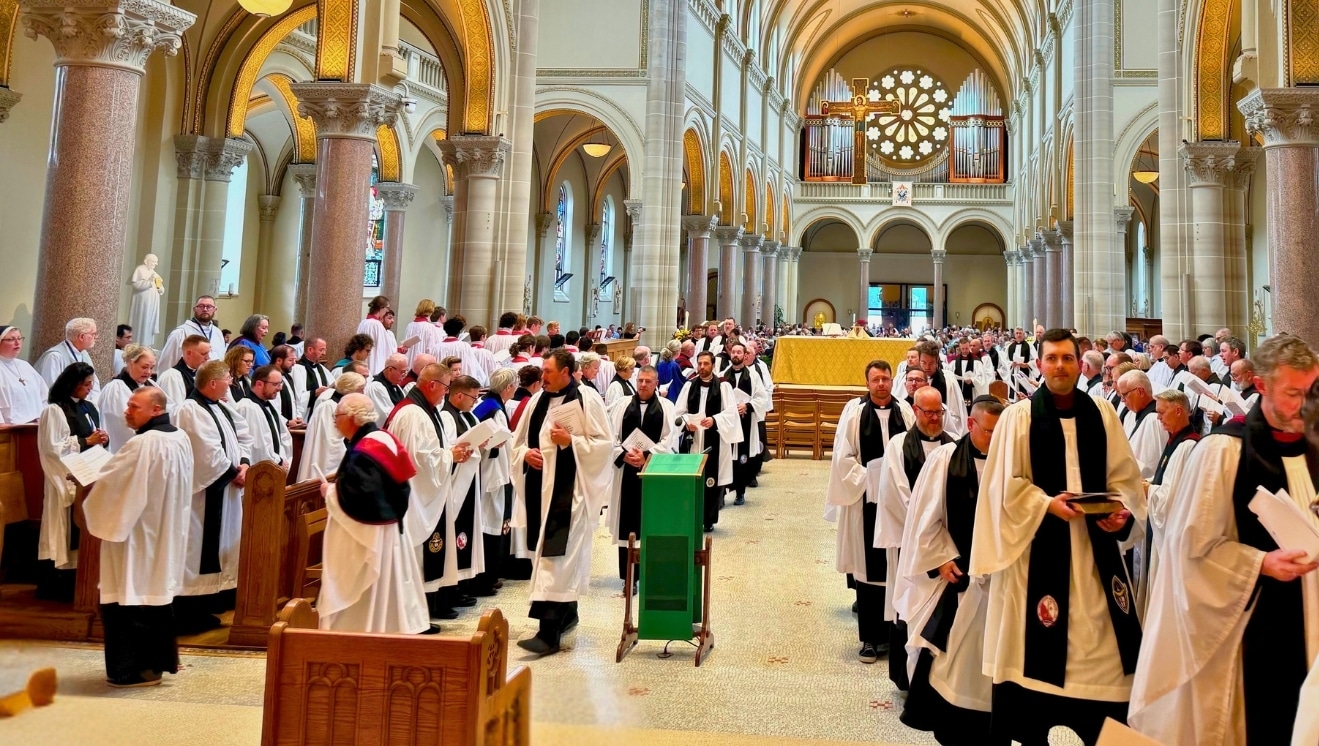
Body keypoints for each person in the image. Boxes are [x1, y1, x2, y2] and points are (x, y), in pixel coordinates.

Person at [1130, 333, 1319, 745]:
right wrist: (1261, 563)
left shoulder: (1314, 447)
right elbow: (1189, 549)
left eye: (1312, 391)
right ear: (1261, 385)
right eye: (1293, 394)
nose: (1306, 405)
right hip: (1252, 627)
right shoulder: (1222, 451)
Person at [970, 328, 1145, 746]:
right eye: (1052, 359)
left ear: (1079, 364)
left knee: (1108, 663)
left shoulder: (1102, 414)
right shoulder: (1019, 417)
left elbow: (1125, 478)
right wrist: (1046, 504)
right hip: (1036, 558)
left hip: (1095, 559)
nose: (1060, 366)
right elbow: (1003, 486)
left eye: (1067, 358)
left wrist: (1121, 513)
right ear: (1040, 364)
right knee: (1031, 661)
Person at [897, 396, 1004, 744]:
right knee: (952, 655)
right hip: (958, 577)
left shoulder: (1012, 462)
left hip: (1001, 580)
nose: (996, 439)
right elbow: (925, 519)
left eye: (1001, 432)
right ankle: (950, 724)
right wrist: (941, 559)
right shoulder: (946, 460)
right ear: (971, 425)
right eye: (989, 431)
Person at [82, 387, 193, 687]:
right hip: (165, 529)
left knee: (130, 591)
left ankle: (133, 669)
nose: (127, 411)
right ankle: (157, 664)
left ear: (156, 409)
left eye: (134, 407)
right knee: (154, 592)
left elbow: (114, 483)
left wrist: (90, 480)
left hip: (137, 535)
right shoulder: (179, 437)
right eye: (128, 405)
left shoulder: (143, 443)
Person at [509, 349, 613, 655]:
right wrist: (525, 454)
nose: (543, 377)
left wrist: (572, 442)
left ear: (566, 372)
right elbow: (517, 442)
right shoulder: (537, 401)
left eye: (548, 372)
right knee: (547, 558)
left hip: (570, 494)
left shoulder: (587, 399)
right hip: (539, 490)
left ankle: (548, 633)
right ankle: (568, 614)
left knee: (557, 561)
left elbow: (604, 445)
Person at [316, 393, 431, 634]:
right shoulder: (383, 438)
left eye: (337, 416)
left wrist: (330, 492)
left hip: (370, 537)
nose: (335, 421)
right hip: (390, 529)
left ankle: (360, 634)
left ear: (352, 418)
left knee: (366, 597)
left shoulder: (365, 450)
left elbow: (364, 495)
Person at [825, 360, 915, 664]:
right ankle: (869, 639)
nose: (881, 384)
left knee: (897, 568)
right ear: (867, 383)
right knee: (868, 570)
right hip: (866, 501)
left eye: (885, 379)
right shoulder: (854, 413)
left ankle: (896, 636)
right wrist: (871, 478)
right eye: (875, 379)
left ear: (892, 380)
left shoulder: (905, 411)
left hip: (899, 504)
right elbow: (843, 458)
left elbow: (915, 452)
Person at [876, 385, 954, 690]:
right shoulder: (898, 446)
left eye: (939, 412)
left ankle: (934, 680)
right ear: (916, 411)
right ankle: (905, 678)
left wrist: (942, 538)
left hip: (943, 547)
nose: (935, 418)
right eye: (929, 412)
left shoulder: (953, 446)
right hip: (909, 543)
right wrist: (926, 532)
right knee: (907, 605)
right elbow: (898, 493)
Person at [383, 363, 470, 622]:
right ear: (432, 384)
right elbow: (418, 459)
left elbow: (429, 451)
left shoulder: (423, 410)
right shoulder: (413, 414)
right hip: (414, 495)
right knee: (420, 551)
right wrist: (450, 455)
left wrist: (451, 452)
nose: (446, 393)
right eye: (445, 387)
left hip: (422, 492)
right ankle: (417, 614)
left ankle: (428, 607)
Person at [173, 360, 253, 633]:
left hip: (227, 488)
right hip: (205, 493)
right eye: (227, 378)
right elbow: (205, 452)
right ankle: (189, 612)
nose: (231, 382)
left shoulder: (222, 407)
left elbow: (244, 437)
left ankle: (211, 603)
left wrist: (244, 464)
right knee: (198, 548)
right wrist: (233, 473)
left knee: (222, 545)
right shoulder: (190, 410)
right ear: (212, 383)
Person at [36, 362, 107, 599]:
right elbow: (53, 448)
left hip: (88, 475)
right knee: (63, 530)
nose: (89, 388)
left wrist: (101, 438)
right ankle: (58, 584)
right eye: (85, 384)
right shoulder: (55, 410)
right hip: (65, 478)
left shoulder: (89, 407)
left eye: (91, 384)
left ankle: (83, 579)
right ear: (72, 384)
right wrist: (87, 441)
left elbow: (93, 435)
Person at [607, 365, 675, 590]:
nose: (643, 385)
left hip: (653, 472)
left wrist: (647, 456)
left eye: (648, 381)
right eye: (640, 381)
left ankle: (651, 571)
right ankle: (629, 577)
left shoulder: (666, 407)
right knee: (627, 526)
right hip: (626, 472)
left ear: (656, 383)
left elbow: (669, 439)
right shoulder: (622, 405)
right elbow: (611, 436)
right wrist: (624, 455)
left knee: (651, 522)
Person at [1139, 389, 1199, 611]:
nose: (1158, 418)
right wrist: (1149, 483)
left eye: (1162, 412)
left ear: (1179, 411)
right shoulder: (1175, 440)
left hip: (1172, 533)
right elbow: (1165, 479)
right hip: (1159, 528)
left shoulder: (1187, 446)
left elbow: (1173, 498)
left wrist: (1149, 489)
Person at [673, 351, 744, 532]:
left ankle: (709, 519)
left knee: (711, 480)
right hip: (694, 440)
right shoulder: (690, 385)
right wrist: (687, 422)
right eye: (700, 363)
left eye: (706, 364)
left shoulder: (723, 386)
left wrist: (714, 420)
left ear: (713, 365)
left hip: (715, 440)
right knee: (691, 480)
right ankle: (690, 517)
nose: (702, 367)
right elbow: (678, 412)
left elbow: (731, 413)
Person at [470, 367, 516, 595]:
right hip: (493, 475)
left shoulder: (486, 404)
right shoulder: (495, 410)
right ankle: (485, 579)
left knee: (490, 523)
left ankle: (488, 576)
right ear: (508, 387)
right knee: (490, 525)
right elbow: (495, 442)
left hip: (488, 472)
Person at [723, 342, 769, 506]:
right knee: (726, 458)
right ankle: (722, 494)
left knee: (742, 459)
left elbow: (762, 397)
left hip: (745, 422)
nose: (735, 355)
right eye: (733, 352)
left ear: (745, 355)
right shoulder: (722, 375)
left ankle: (740, 492)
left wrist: (747, 406)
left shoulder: (753, 376)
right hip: (728, 423)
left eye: (739, 352)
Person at [299, 372, 367, 480]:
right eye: (360, 390)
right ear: (349, 390)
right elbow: (330, 442)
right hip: (328, 463)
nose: (363, 394)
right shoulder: (329, 407)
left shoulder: (343, 406)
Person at [99, 344, 158, 453]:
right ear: (131, 364)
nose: (148, 372)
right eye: (144, 367)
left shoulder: (151, 384)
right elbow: (121, 423)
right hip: (124, 446)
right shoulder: (115, 389)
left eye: (152, 367)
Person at [233, 364, 293, 470]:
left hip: (277, 465)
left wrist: (284, 458)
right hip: (260, 469)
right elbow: (257, 445)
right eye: (275, 384)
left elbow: (283, 435)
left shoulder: (269, 404)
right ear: (259, 384)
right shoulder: (247, 407)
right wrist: (278, 460)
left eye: (280, 383)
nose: (280, 388)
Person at [34, 317, 101, 404]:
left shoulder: (84, 354)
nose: (96, 337)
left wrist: (92, 406)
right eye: (93, 334)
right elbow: (50, 390)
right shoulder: (55, 356)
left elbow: (94, 387)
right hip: (61, 407)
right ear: (82, 337)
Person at [1117, 370, 1168, 478]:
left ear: (1140, 391)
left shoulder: (1155, 420)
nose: (1122, 400)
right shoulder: (1133, 414)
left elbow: (1153, 464)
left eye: (1124, 395)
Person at [158, 296, 225, 370]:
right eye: (201, 306)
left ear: (215, 310)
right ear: (194, 309)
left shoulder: (218, 333)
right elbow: (166, 363)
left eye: (209, 306)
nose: (205, 309)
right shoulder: (180, 333)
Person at [916, 340, 966, 437]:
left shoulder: (948, 380)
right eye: (923, 362)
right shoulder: (913, 380)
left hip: (942, 432)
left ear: (937, 361)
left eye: (931, 363)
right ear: (919, 360)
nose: (927, 367)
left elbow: (955, 414)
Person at [157, 334, 209, 414]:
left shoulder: (202, 374)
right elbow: (175, 412)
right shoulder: (172, 377)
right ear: (189, 353)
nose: (208, 358)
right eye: (203, 354)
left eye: (208, 353)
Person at [126, 254, 164, 350]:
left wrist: (161, 289)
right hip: (142, 303)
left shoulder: (154, 273)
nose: (156, 264)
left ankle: (146, 344)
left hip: (152, 304)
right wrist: (149, 282)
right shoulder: (139, 270)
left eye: (156, 262)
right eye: (153, 261)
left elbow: (160, 285)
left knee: (149, 322)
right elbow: (136, 285)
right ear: (146, 261)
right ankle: (139, 343)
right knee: (142, 321)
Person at [290, 337, 332, 421]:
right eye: (321, 350)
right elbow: (298, 397)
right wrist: (314, 393)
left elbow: (333, 384)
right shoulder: (297, 369)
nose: (324, 353)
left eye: (325, 350)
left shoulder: (321, 368)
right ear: (310, 350)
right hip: (306, 416)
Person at [357, 296, 397, 375]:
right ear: (381, 308)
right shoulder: (377, 324)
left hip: (363, 363)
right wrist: (399, 350)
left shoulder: (363, 322)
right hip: (374, 365)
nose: (387, 311)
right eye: (387, 308)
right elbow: (384, 348)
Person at [366, 352, 409, 423]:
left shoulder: (396, 385)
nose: (404, 375)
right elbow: (387, 416)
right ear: (390, 370)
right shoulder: (376, 387)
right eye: (402, 372)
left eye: (406, 372)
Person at [267, 345, 303, 427]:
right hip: (278, 425)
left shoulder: (287, 377)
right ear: (279, 360)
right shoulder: (269, 378)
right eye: (291, 360)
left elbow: (295, 400)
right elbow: (271, 406)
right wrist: (286, 422)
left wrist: (298, 417)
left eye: (295, 359)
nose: (294, 363)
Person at [405, 300, 441, 366]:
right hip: (423, 363)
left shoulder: (410, 325)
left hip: (409, 361)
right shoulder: (430, 327)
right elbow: (432, 348)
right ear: (431, 311)